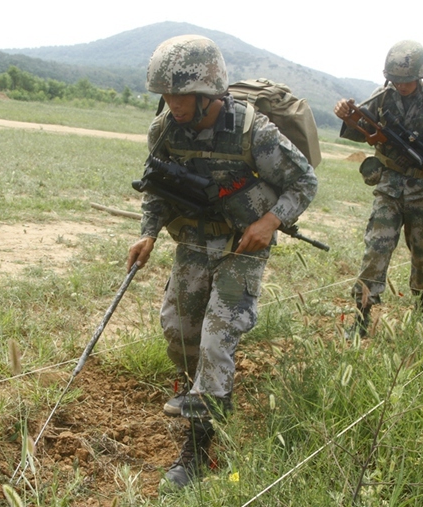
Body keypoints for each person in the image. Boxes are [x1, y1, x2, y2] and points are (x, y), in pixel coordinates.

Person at [126, 35, 318, 489]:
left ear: (208, 91)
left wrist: (270, 222)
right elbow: (156, 187)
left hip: (242, 246)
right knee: (179, 330)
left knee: (216, 338)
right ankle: (199, 391)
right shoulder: (165, 130)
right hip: (193, 241)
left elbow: (303, 183)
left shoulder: (255, 132)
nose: (172, 103)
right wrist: (147, 233)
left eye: (180, 94)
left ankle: (197, 448)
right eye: (166, 94)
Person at [333, 40, 423, 338]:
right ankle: (361, 320)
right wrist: (347, 117)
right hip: (389, 187)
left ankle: (422, 314)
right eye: (396, 80)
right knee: (376, 249)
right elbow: (361, 131)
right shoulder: (382, 97)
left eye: (406, 80)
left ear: (421, 74)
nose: (400, 86)